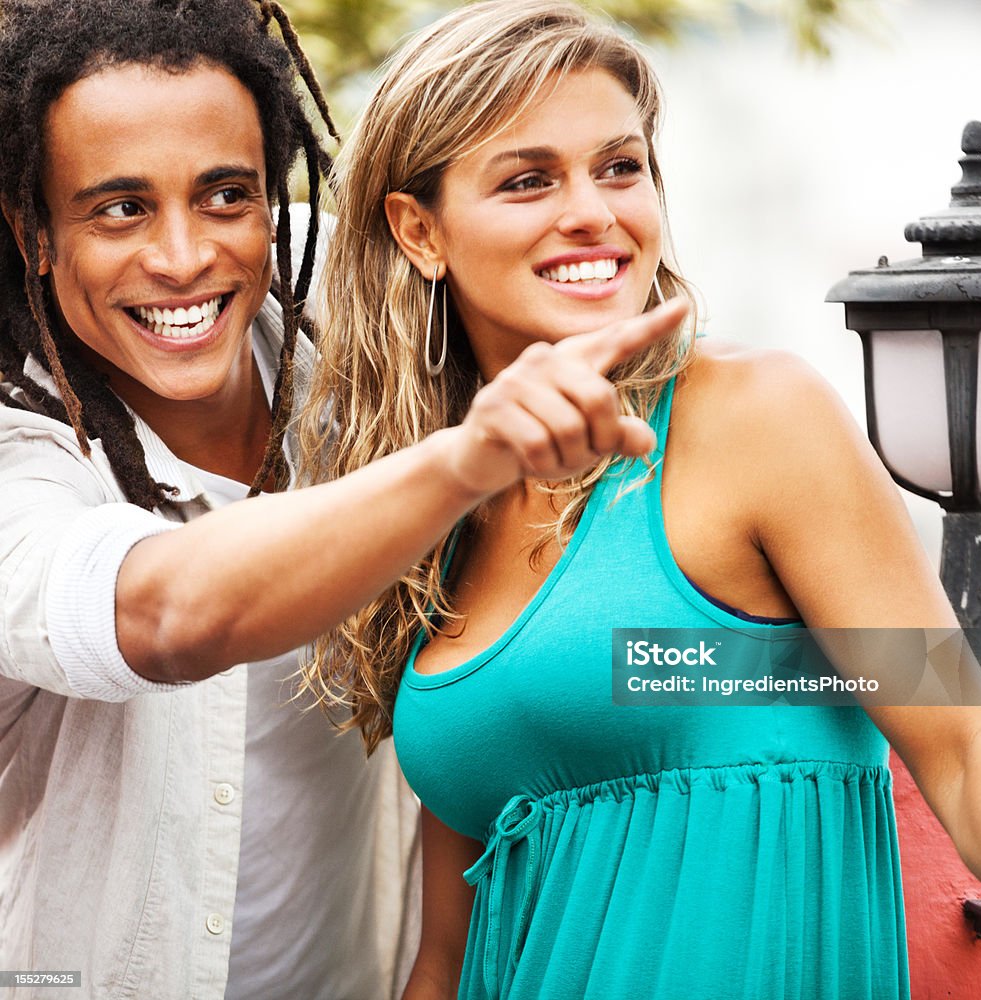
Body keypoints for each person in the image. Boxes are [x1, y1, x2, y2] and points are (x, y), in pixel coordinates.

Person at [298, 3, 981, 998]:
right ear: (418, 231)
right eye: (527, 179)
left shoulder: (757, 418)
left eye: (619, 167)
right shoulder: (443, 502)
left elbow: (966, 741)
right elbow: (446, 953)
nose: (594, 211)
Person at [0, 1, 685, 997]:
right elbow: (169, 613)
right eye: (119, 209)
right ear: (34, 231)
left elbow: (532, 269)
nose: (186, 257)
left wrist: (826, 672)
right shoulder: (20, 448)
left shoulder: (355, 315)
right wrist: (463, 458)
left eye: (227, 195)